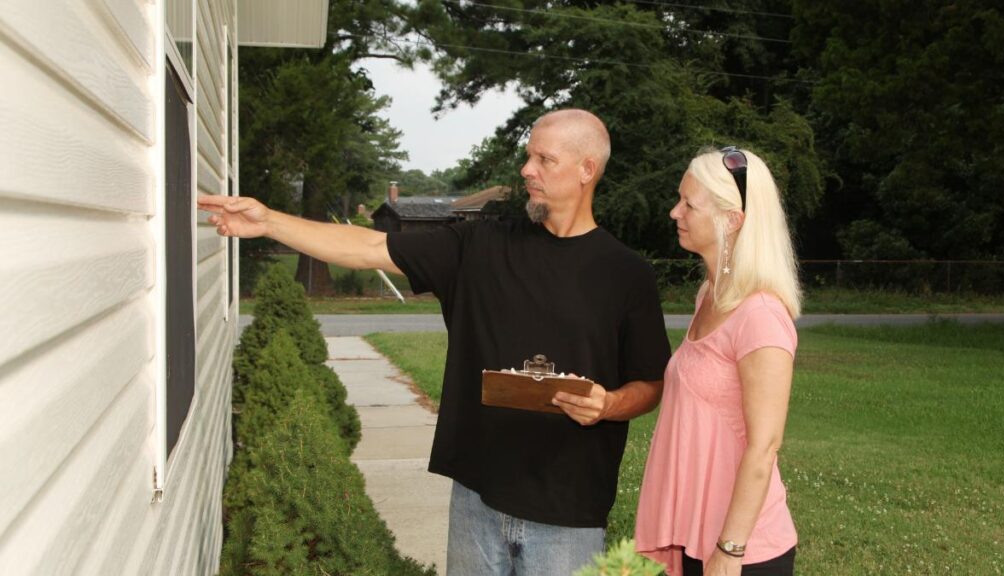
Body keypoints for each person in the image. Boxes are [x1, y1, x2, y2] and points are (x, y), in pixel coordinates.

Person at [199, 109, 671, 576]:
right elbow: (367, 248)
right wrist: (268, 222)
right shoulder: (480, 246)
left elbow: (650, 384)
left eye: (544, 160)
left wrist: (607, 404)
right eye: (528, 157)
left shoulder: (626, 275)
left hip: (569, 511)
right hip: (477, 499)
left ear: (586, 170)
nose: (527, 170)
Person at [634, 147, 802, 576]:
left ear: (733, 219)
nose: (674, 212)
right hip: (696, 536)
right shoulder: (709, 297)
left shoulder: (761, 315)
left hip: (742, 551)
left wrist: (730, 549)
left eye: (689, 204)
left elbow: (764, 447)